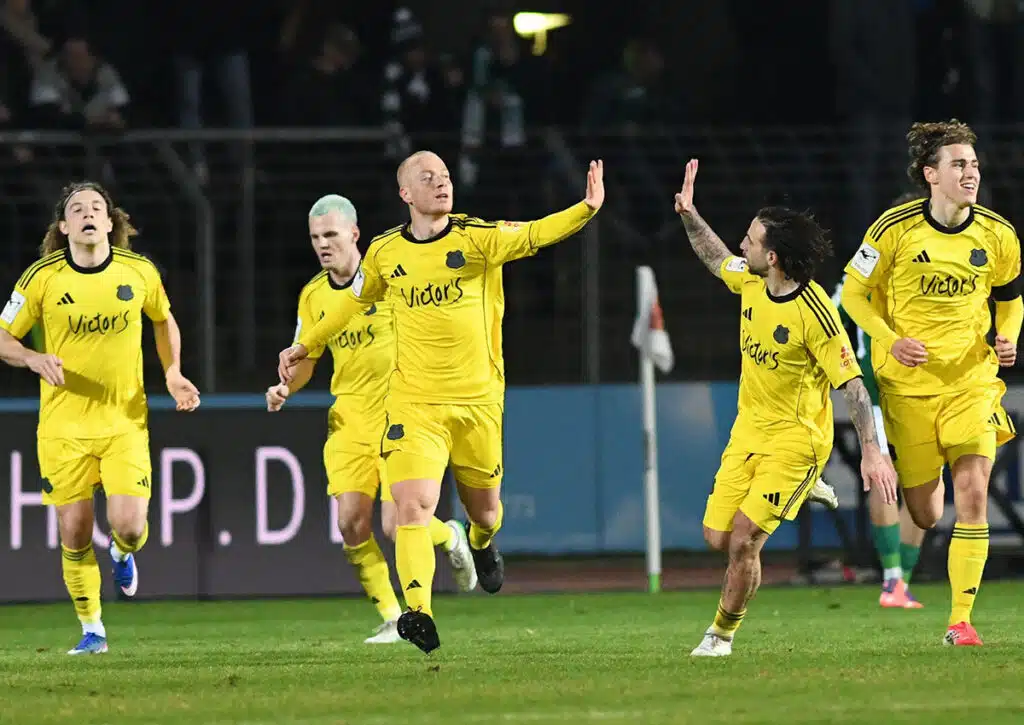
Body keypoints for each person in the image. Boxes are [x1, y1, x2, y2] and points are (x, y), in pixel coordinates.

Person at [278, 151, 605, 654]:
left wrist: (585, 207)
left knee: (487, 512)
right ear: (406, 194)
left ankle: (478, 542)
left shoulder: (477, 239)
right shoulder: (386, 253)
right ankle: (417, 612)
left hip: (477, 403)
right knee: (410, 510)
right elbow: (351, 300)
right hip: (415, 406)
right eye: (428, 179)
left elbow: (536, 233)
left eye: (446, 177)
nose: (442, 184)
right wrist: (306, 343)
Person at [675, 158, 897, 657]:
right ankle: (804, 491)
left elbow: (853, 387)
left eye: (750, 241)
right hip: (748, 432)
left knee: (743, 541)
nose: (741, 247)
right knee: (716, 537)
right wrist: (690, 214)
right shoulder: (751, 281)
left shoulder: (816, 313)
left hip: (798, 441)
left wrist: (872, 451)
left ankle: (720, 634)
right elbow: (714, 257)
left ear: (772, 257)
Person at [840, 120, 1023, 646]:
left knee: (973, 489)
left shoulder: (998, 233)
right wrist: (889, 339)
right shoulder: (892, 230)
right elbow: (853, 297)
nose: (971, 173)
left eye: (974, 164)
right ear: (930, 174)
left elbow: (1010, 301)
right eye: (959, 165)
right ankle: (925, 495)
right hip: (908, 389)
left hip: (971, 382)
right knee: (925, 510)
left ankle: (960, 620)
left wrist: (1007, 335)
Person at [265, 194, 477, 644]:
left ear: (355, 235)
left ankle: (450, 534)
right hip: (349, 418)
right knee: (350, 524)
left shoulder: (389, 277)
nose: (323, 245)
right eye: (316, 238)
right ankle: (390, 616)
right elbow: (308, 356)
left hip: (400, 411)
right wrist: (287, 386)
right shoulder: (313, 295)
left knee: (393, 525)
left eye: (331, 235)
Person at [0, 181, 200, 654]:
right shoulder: (41, 278)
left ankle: (122, 553)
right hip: (62, 428)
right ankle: (93, 631)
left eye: (96, 208)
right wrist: (31, 358)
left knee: (129, 526)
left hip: (123, 422)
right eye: (77, 209)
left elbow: (163, 319)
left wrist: (172, 372)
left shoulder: (140, 272)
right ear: (64, 226)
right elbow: (4, 337)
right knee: (73, 531)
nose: (88, 214)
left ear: (110, 223)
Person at [832, 191, 931, 610]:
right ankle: (893, 579)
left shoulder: (933, 269)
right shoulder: (868, 271)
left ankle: (899, 583)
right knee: (887, 477)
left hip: (928, 392)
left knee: (925, 488)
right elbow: (832, 317)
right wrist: (850, 366)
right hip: (879, 391)